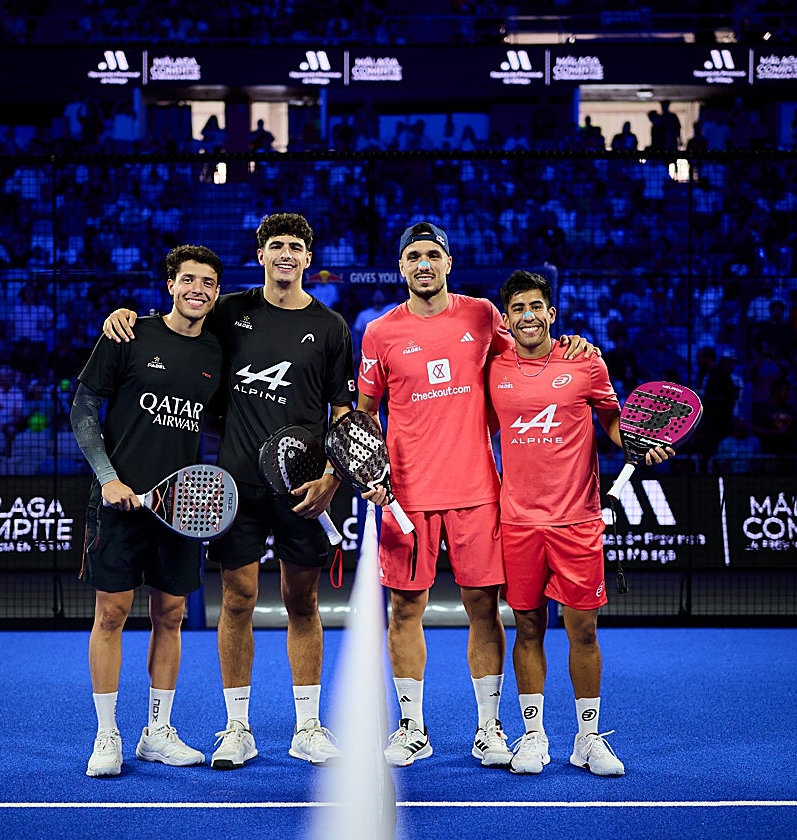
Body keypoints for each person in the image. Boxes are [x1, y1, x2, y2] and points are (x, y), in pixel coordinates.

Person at [102, 213, 354, 770]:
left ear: (308, 257)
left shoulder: (332, 327)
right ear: (259, 254)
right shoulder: (228, 311)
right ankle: (236, 727)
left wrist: (332, 478)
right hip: (236, 486)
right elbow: (176, 322)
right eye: (275, 246)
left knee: (302, 603)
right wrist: (127, 318)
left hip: (304, 489)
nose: (285, 254)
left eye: (295, 246)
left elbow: (344, 413)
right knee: (237, 602)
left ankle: (307, 726)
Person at [357, 223, 592, 769]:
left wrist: (572, 345)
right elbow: (364, 416)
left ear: (448, 261)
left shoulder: (484, 315)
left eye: (432, 254)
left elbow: (533, 352)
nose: (423, 263)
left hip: (477, 492)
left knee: (483, 607)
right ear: (401, 267)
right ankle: (412, 727)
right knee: (405, 608)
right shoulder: (380, 333)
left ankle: (488, 726)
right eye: (412, 256)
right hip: (407, 494)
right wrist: (368, 468)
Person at [485, 270, 672, 777]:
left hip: (577, 519)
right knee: (527, 626)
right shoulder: (492, 367)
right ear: (507, 318)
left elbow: (614, 418)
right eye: (517, 308)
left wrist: (636, 442)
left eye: (536, 306)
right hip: (518, 522)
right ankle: (532, 734)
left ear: (551, 314)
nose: (527, 315)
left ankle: (587, 739)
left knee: (582, 629)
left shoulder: (584, 360)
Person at [72, 245, 226, 777]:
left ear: (216, 292)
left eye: (208, 282)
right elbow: (83, 406)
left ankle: (156, 732)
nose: (197, 290)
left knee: (171, 616)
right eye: (188, 280)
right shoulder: (128, 333)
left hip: (181, 510)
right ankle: (106, 735)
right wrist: (109, 478)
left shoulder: (216, 352)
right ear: (170, 285)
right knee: (110, 614)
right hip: (116, 505)